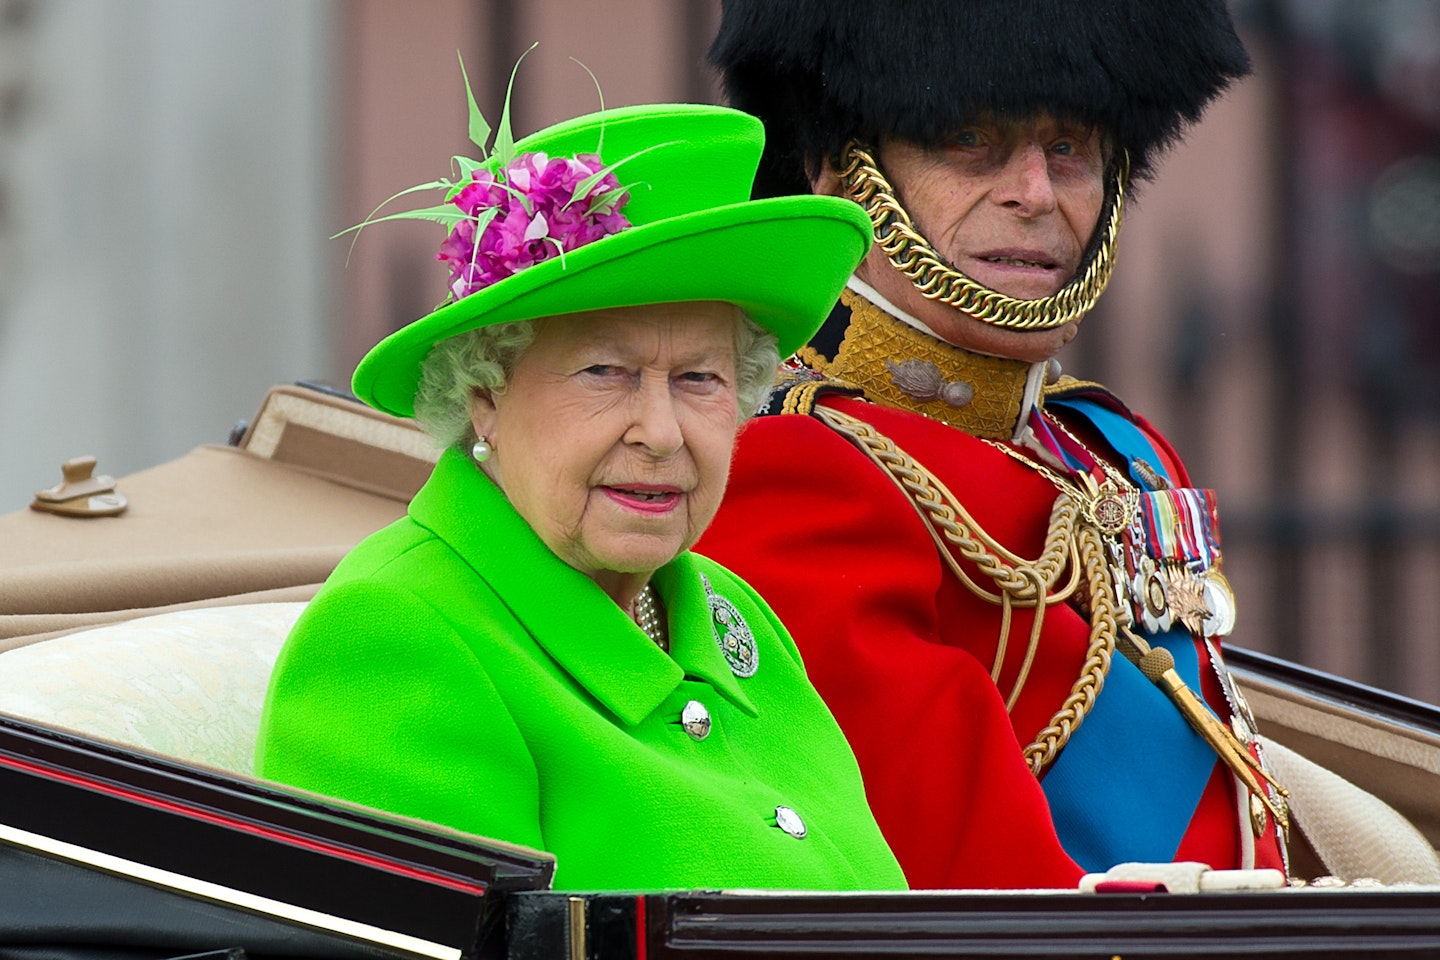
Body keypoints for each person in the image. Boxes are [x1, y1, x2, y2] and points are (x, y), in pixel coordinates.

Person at [696, 0, 1291, 888]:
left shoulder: (1109, 444)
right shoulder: (798, 465)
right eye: (969, 139)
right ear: (835, 168)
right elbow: (966, 884)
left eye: (1071, 148)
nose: (1036, 193)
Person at [255, 98, 907, 892]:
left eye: (699, 379)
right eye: (606, 373)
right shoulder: (394, 636)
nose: (662, 432)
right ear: (484, 391)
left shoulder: (731, 612)